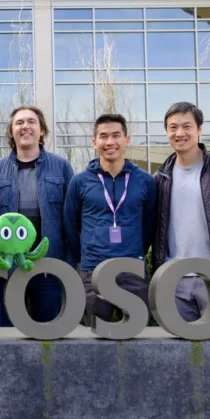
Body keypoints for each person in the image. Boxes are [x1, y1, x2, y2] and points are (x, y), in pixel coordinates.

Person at [64, 114, 156, 323]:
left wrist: (135, 249)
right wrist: (87, 253)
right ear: (94, 142)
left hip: (132, 268)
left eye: (116, 135)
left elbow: (149, 225)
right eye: (103, 136)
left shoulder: (145, 181)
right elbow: (70, 225)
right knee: (94, 333)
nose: (110, 142)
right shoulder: (79, 181)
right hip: (93, 270)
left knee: (136, 333)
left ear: (127, 139)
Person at [0, 105, 74, 324]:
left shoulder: (61, 167)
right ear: (11, 132)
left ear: (42, 130)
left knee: (48, 330)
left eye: (31, 122)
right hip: (8, 268)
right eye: (19, 123)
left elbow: (71, 219)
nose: (25, 126)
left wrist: (69, 263)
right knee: (8, 332)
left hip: (49, 266)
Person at [153, 102, 210, 321]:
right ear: (167, 132)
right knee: (180, 342)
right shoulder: (159, 179)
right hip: (175, 279)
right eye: (173, 127)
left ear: (199, 129)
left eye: (187, 126)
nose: (179, 133)